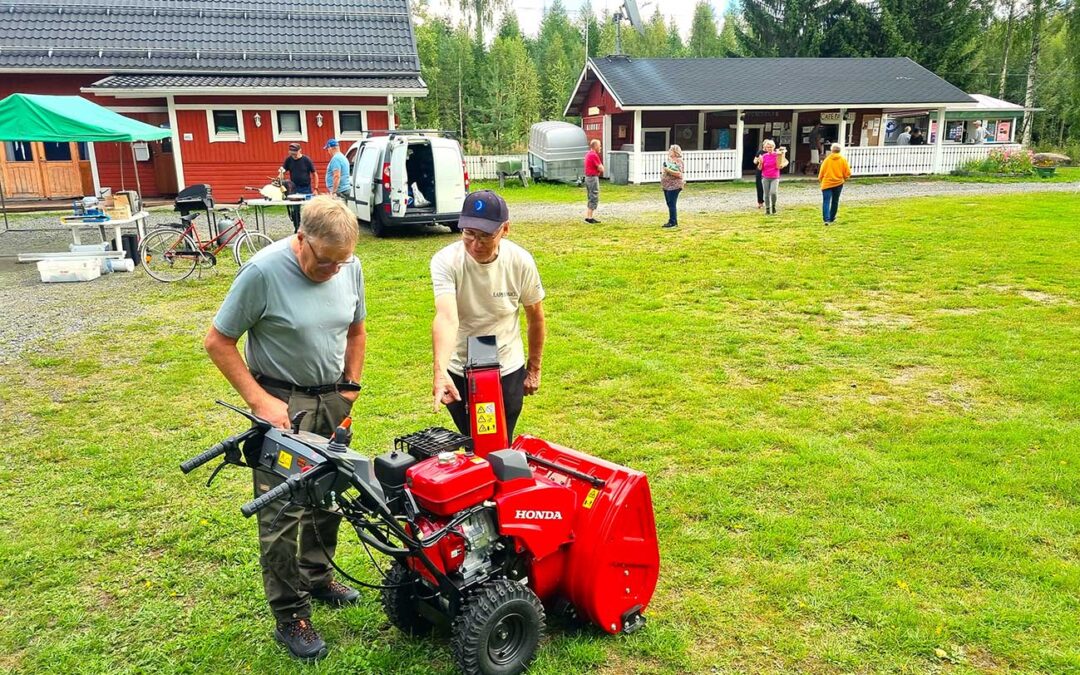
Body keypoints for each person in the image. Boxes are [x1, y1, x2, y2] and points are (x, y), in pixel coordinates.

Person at [204, 196, 366, 662]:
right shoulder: (262, 272)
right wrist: (261, 401)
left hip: (331, 396)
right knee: (281, 514)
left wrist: (349, 386)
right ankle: (289, 613)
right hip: (280, 405)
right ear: (301, 239)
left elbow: (357, 329)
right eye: (324, 260)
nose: (334, 270)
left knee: (327, 494)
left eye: (342, 262)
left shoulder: (348, 266)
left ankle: (317, 577)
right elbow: (218, 341)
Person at [431, 190, 545, 442]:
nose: (476, 244)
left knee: (500, 441)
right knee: (472, 441)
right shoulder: (445, 261)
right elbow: (447, 317)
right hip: (460, 366)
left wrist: (534, 368)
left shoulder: (520, 261)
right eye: (468, 234)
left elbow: (535, 316)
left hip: (506, 367)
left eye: (485, 236)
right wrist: (440, 370)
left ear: (505, 229)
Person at [279, 143, 316, 233]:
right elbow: (282, 172)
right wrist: (280, 178)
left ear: (300, 151)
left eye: (295, 154)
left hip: (306, 188)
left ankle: (310, 229)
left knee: (308, 209)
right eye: (291, 154)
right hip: (293, 189)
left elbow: (314, 174)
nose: (293, 156)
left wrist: (316, 188)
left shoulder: (306, 160)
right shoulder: (288, 160)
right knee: (295, 210)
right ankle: (297, 228)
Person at [818, 143, 852, 225]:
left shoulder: (827, 160)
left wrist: (821, 180)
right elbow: (847, 173)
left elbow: (821, 173)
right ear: (839, 150)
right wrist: (844, 178)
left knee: (826, 201)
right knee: (835, 201)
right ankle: (832, 218)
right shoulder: (843, 160)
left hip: (827, 183)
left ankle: (826, 219)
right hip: (838, 183)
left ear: (831, 150)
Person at [756, 140, 786, 215]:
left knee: (773, 192)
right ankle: (767, 209)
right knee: (766, 194)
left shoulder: (777, 155)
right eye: (768, 147)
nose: (769, 148)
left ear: (773, 147)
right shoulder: (764, 156)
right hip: (765, 177)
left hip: (775, 177)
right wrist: (760, 163)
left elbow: (785, 161)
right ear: (765, 148)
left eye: (771, 147)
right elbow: (760, 168)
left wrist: (783, 165)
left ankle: (773, 206)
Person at [660, 144, 685, 228]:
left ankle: (673, 222)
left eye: (671, 150)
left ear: (675, 152)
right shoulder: (668, 160)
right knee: (669, 203)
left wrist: (668, 170)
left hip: (674, 185)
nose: (669, 151)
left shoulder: (678, 161)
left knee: (672, 203)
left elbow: (679, 174)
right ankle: (672, 220)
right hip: (666, 185)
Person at [583, 139, 604, 224]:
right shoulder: (593, 155)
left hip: (588, 178)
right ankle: (590, 217)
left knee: (590, 196)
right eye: (599, 146)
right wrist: (601, 168)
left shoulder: (588, 154)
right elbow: (601, 168)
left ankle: (589, 216)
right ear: (595, 146)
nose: (600, 148)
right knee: (594, 196)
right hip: (592, 178)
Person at [754, 141, 766, 208]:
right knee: (759, 186)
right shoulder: (760, 152)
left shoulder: (772, 153)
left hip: (768, 171)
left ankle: (767, 201)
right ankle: (760, 202)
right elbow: (754, 161)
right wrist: (758, 160)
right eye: (765, 145)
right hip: (760, 171)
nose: (766, 147)